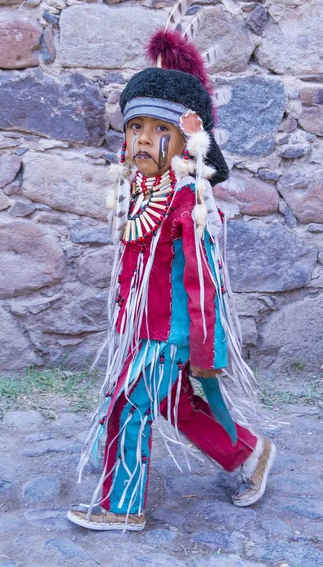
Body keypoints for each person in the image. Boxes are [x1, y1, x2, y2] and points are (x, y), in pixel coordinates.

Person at [67, 27, 276, 532]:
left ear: (188, 142)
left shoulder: (190, 205)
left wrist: (206, 351)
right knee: (172, 402)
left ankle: (123, 504)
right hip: (142, 328)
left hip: (169, 334)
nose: (141, 138)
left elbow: (205, 283)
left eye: (159, 130)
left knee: (128, 404)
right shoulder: (138, 193)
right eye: (134, 126)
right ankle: (247, 453)